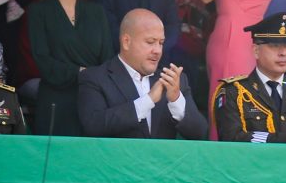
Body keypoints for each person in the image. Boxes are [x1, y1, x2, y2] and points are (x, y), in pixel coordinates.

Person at [77, 8, 207, 139]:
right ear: (126, 42)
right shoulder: (94, 78)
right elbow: (93, 127)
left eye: (161, 43)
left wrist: (176, 100)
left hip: (163, 160)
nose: (157, 50)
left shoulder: (174, 80)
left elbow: (199, 133)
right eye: (150, 42)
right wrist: (148, 100)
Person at [26, 0, 114, 135]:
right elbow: (42, 59)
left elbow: (108, 56)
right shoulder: (38, 12)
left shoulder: (96, 11)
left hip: (93, 99)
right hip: (56, 100)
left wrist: (94, 80)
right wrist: (81, 71)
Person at [211, 12, 286, 143]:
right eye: (275, 46)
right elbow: (231, 137)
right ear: (256, 51)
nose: (283, 53)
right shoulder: (233, 92)